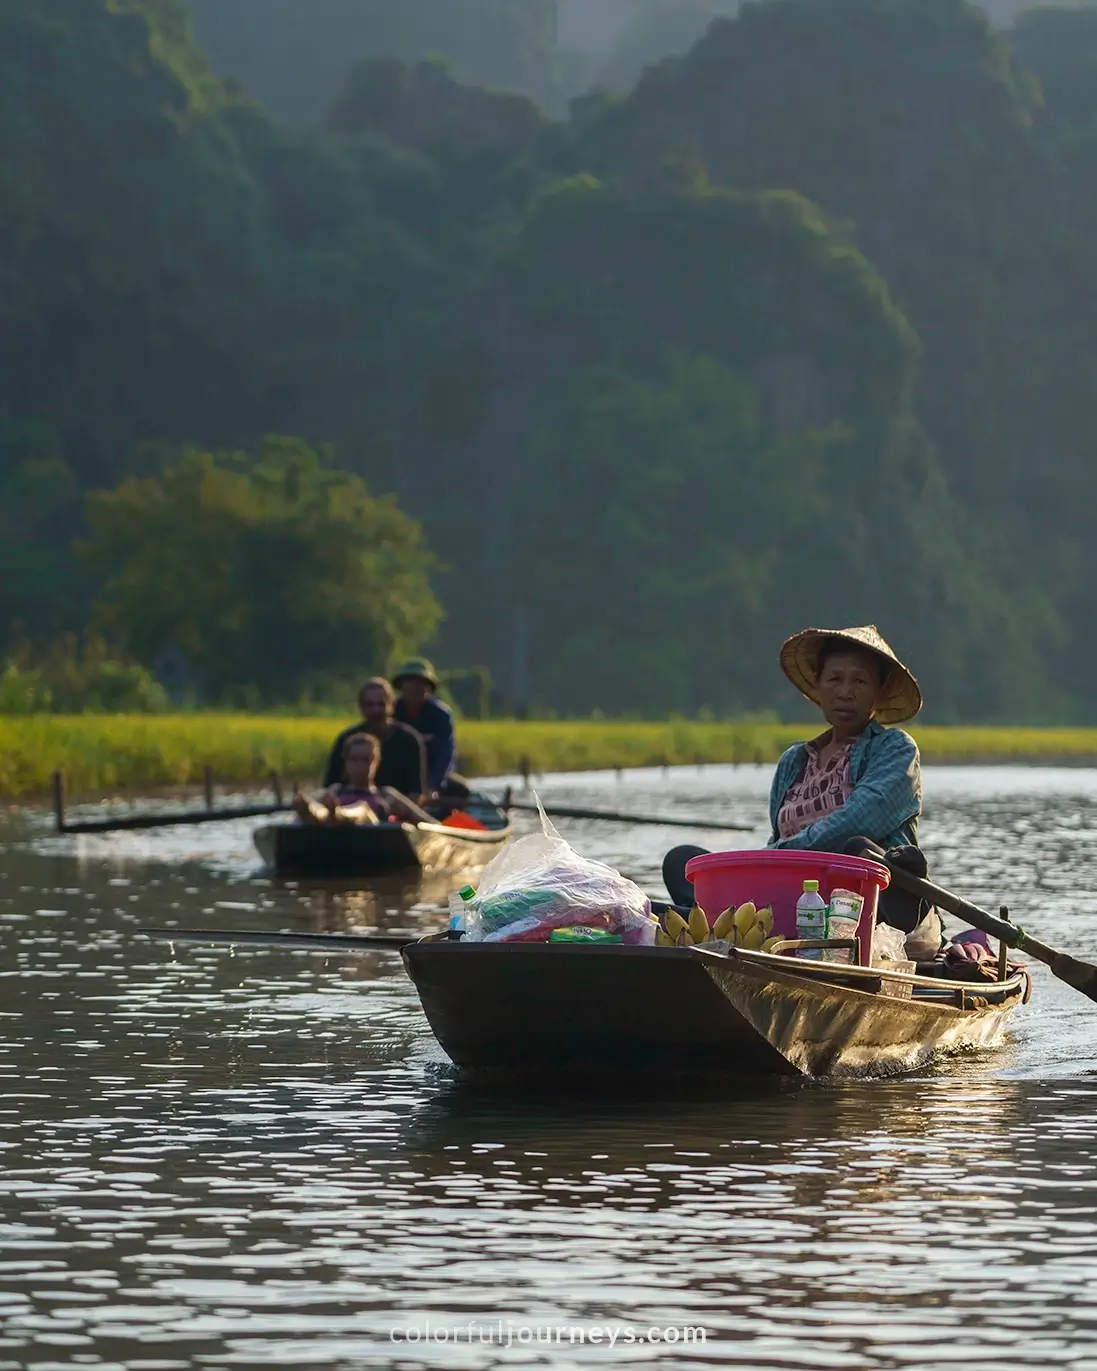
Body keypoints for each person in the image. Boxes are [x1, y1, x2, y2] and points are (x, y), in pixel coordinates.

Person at [663, 624, 945, 958]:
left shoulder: (895, 749)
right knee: (684, 860)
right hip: (795, 899)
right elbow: (776, 836)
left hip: (871, 907)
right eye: (835, 679)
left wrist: (777, 857)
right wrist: (764, 864)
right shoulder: (794, 761)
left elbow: (859, 820)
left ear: (878, 692)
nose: (845, 691)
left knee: (859, 851)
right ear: (818, 687)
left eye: (859, 681)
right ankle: (718, 930)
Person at [296, 732, 432, 826]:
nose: (360, 766)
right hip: (331, 823)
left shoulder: (385, 795)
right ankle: (322, 816)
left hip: (368, 829)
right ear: (347, 762)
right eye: (355, 760)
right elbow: (313, 801)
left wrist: (403, 815)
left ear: (376, 763)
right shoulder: (336, 791)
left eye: (366, 760)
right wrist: (306, 803)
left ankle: (339, 815)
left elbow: (427, 822)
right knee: (318, 807)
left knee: (362, 809)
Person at [323, 677, 427, 797]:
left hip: (395, 810)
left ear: (391, 705)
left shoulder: (408, 740)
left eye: (381, 704)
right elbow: (330, 787)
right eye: (370, 705)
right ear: (361, 707)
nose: (376, 710)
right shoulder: (348, 740)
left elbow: (416, 793)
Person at [391, 657, 470, 798]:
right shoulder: (391, 712)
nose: (415, 688)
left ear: (428, 687)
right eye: (410, 682)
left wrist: (432, 786)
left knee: (460, 790)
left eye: (420, 683)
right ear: (401, 685)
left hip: (432, 774)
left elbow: (445, 755)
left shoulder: (441, 715)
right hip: (398, 774)